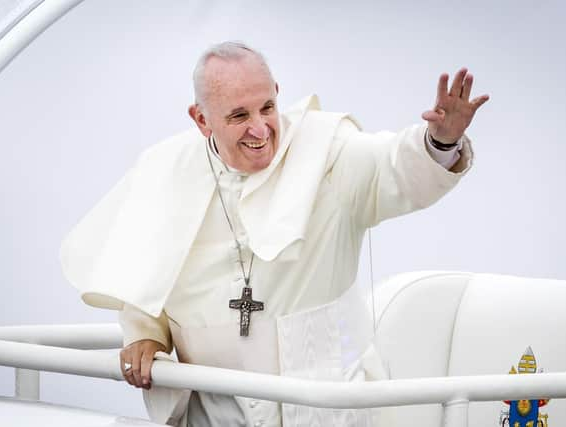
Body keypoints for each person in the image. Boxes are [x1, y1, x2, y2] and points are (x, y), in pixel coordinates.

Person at [60, 41, 488, 427]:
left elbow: (389, 166)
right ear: (201, 119)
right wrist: (146, 334)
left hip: (326, 409)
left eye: (267, 108)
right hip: (216, 412)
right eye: (239, 116)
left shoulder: (325, 147)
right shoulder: (163, 170)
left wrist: (439, 142)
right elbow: (143, 267)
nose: (261, 130)